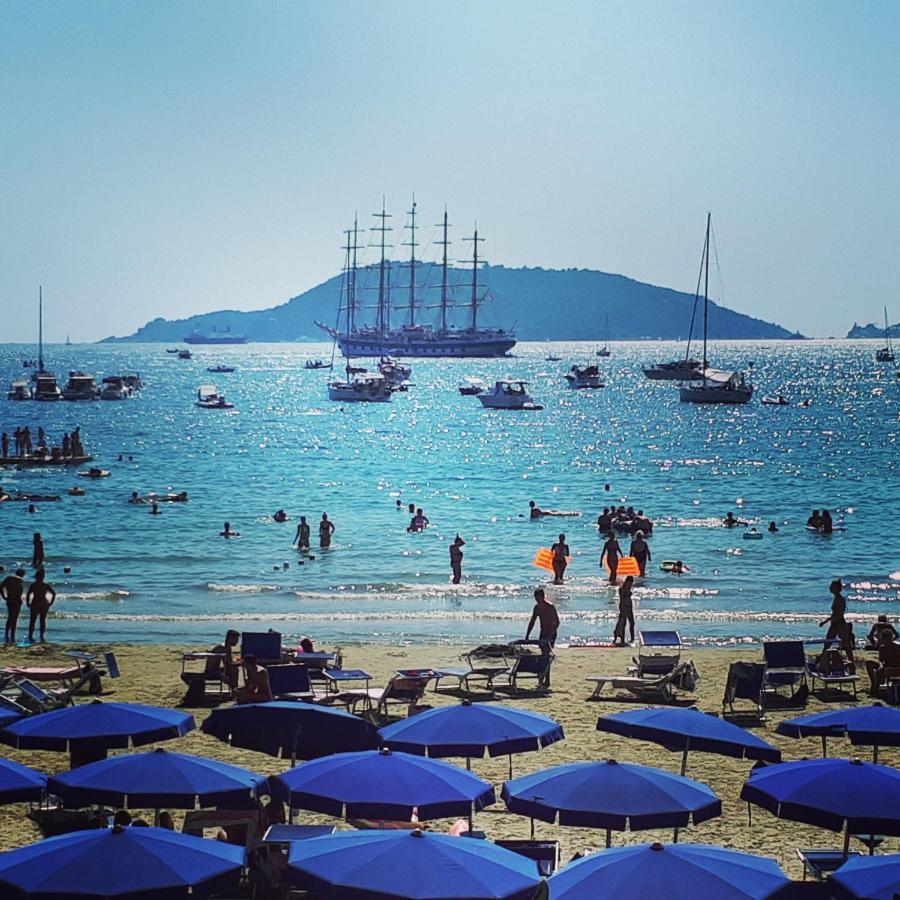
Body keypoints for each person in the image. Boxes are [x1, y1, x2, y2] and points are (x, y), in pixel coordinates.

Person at [525, 588, 560, 686]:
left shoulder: (550, 607)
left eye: (538, 598)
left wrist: (550, 636)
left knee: (545, 655)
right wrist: (527, 635)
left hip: (551, 632)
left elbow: (557, 622)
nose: (537, 600)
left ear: (542, 597)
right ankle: (543, 678)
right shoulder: (537, 608)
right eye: (535, 598)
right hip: (543, 632)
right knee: (543, 656)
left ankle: (545, 680)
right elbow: (532, 621)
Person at [819, 578, 853, 659]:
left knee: (846, 645)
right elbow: (834, 614)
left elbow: (837, 614)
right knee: (827, 643)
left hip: (840, 624)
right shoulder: (836, 598)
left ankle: (851, 663)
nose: (830, 588)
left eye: (832, 586)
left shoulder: (840, 599)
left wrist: (825, 622)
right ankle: (822, 659)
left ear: (837, 588)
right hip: (834, 624)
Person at [865, 629, 900, 696]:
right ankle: (874, 684)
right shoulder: (882, 648)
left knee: (880, 672)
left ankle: (875, 688)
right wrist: (881, 666)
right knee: (869, 663)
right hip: (887, 667)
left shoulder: (897, 647)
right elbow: (881, 661)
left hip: (893, 668)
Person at [26, 568, 56, 643]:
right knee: (41, 620)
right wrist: (51, 602)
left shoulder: (34, 585)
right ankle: (40, 636)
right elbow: (53, 593)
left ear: (37, 577)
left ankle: (32, 636)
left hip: (36, 603)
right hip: (43, 603)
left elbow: (28, 594)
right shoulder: (45, 585)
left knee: (34, 620)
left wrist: (28, 602)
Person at [1, 568, 26, 643]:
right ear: (22, 574)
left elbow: (1, 587)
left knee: (10, 617)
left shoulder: (8, 578)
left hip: (9, 600)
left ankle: (6, 634)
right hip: (17, 601)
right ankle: (12, 635)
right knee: (14, 619)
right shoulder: (20, 580)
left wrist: (4, 596)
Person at [613, 575, 635, 646]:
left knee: (632, 623)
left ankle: (632, 638)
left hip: (629, 606)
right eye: (630, 583)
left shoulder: (627, 588)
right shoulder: (622, 588)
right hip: (624, 606)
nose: (631, 585)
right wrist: (628, 594)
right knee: (623, 623)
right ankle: (621, 639)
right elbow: (622, 598)